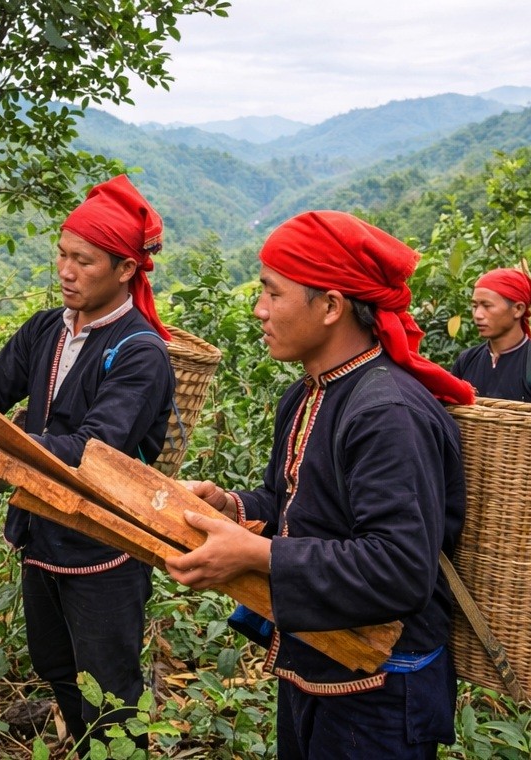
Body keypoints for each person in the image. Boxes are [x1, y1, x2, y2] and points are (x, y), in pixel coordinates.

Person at [164, 211, 474, 760]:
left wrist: (254, 552)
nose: (259, 309)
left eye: (272, 293)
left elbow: (399, 569)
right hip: (318, 656)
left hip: (382, 689)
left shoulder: (388, 413)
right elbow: (294, 507)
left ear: (331, 306)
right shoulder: (308, 394)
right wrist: (231, 508)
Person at [0, 175, 175, 753]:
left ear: (126, 269)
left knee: (111, 696)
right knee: (58, 671)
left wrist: (2, 456)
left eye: (85, 260)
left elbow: (97, 450)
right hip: (43, 536)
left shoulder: (139, 350)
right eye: (62, 255)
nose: (66, 271)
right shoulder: (48, 328)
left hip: (104, 548)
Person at [451, 267, 531, 406]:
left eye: (487, 306)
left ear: (518, 309)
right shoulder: (467, 360)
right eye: (475, 306)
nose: (477, 315)